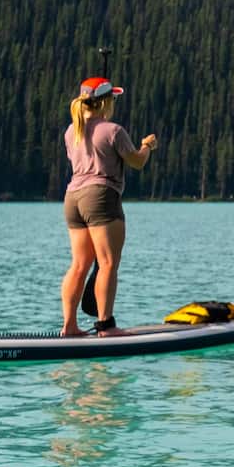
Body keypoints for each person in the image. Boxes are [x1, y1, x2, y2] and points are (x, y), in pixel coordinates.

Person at [61, 76, 157, 335]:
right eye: (112, 99)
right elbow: (136, 162)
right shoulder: (114, 131)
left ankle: (69, 326)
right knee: (107, 264)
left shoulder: (72, 131)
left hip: (73, 199)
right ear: (105, 102)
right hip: (101, 197)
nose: (114, 103)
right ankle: (106, 326)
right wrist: (147, 146)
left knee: (80, 265)